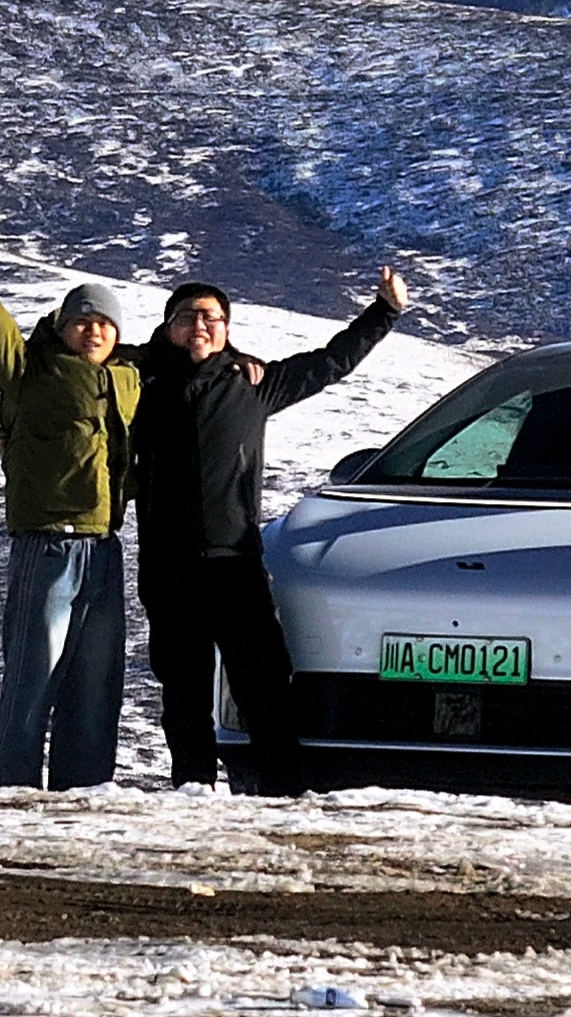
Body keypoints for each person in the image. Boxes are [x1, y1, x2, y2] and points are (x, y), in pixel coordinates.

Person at [133, 267, 410, 793]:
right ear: (168, 326)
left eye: (212, 317)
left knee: (262, 684)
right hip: (170, 569)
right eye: (188, 316)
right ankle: (190, 794)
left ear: (227, 328)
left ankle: (282, 794)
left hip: (235, 564)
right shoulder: (139, 381)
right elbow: (77, 375)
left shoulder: (250, 386)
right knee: (183, 692)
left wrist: (384, 312)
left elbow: (331, 363)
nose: (200, 325)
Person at [0, 191, 142, 789]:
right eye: (82, 320)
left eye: (103, 323)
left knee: (97, 678)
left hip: (104, 547)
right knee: (33, 672)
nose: (92, 330)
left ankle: (85, 789)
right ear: (63, 324)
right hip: (47, 544)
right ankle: (18, 788)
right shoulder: (30, 370)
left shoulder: (129, 380)